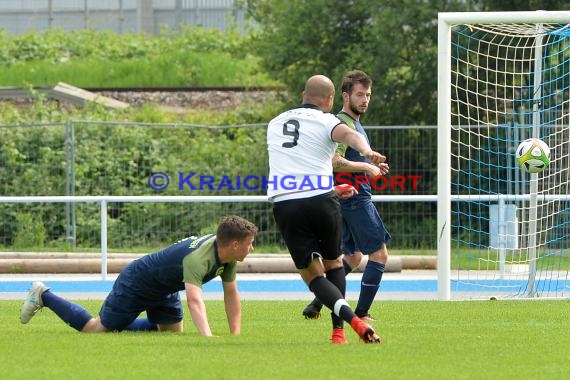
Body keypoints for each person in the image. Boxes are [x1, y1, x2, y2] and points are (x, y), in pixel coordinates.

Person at [267, 74, 388, 344]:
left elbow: (293, 168)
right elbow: (348, 136)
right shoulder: (328, 120)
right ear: (332, 99)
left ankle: (354, 320)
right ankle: (339, 332)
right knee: (335, 264)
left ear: (303, 94)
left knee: (313, 275)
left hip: (286, 203)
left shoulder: (275, 123)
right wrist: (368, 153)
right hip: (323, 201)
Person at [20, 215, 257, 336]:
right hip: (138, 281)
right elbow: (195, 301)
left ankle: (120, 324)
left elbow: (231, 295)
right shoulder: (197, 259)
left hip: (164, 287)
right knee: (96, 330)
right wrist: (207, 337)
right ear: (235, 244)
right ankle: (43, 294)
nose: (252, 249)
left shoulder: (228, 255)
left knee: (171, 332)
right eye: (250, 244)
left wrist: (234, 336)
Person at [302, 70, 391, 322]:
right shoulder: (342, 124)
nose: (365, 100)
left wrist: (372, 166)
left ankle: (317, 304)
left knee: (352, 257)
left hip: (348, 196)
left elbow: (348, 160)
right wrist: (364, 167)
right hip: (354, 199)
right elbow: (333, 161)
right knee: (379, 254)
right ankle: (361, 314)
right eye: (360, 94)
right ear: (345, 95)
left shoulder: (354, 123)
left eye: (368, 95)